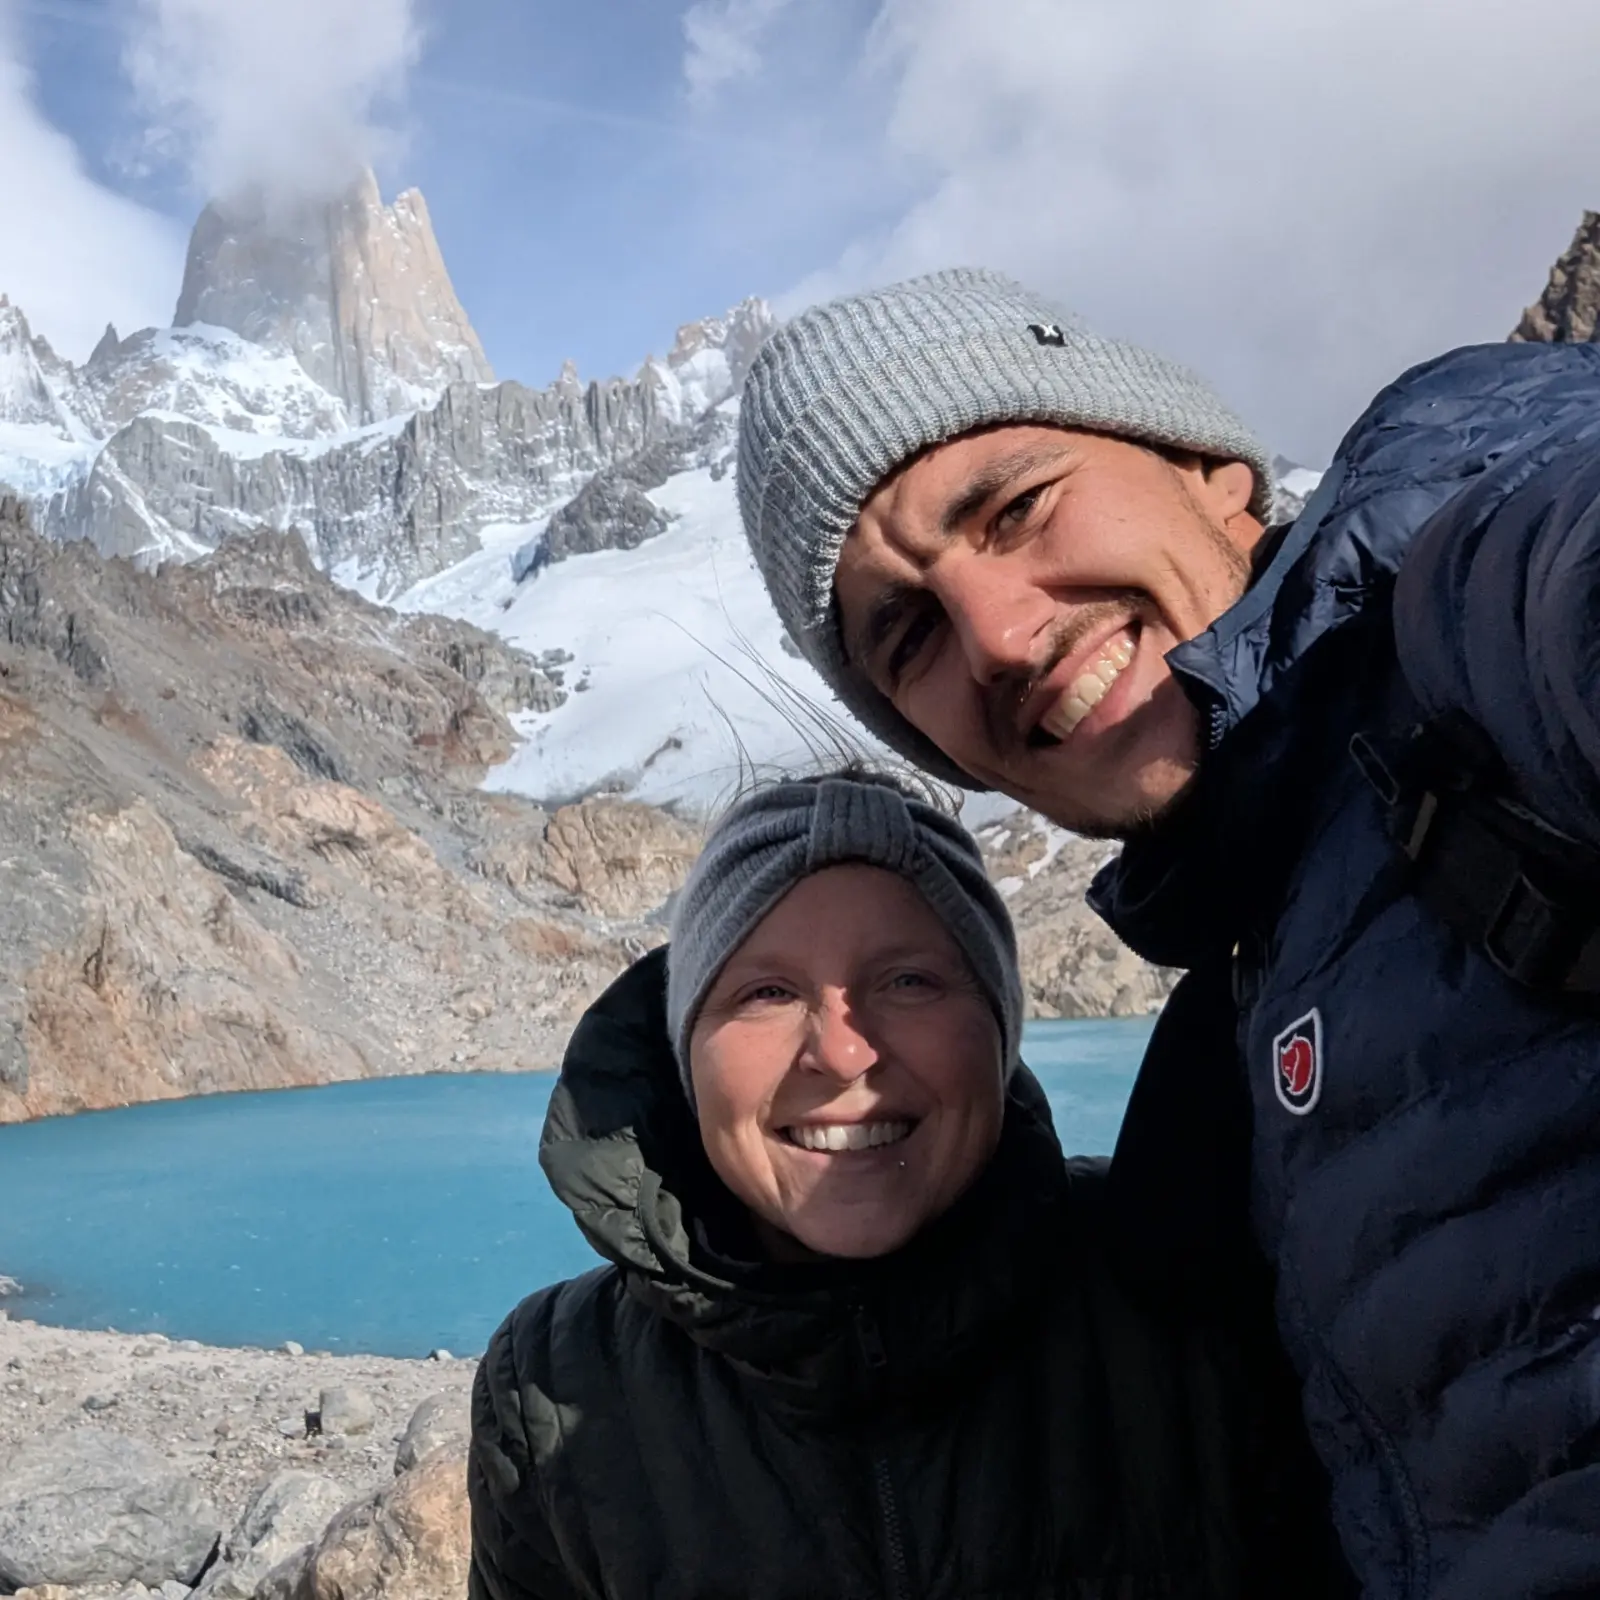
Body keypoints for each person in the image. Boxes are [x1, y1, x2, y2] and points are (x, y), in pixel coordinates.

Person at [734, 269, 1600, 1598]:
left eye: (1019, 506)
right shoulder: (1257, 968)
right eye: (908, 635)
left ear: (1209, 466)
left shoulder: (1469, 592)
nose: (1003, 636)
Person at [467, 771, 1345, 1600]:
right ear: (687, 1052)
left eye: (911, 981)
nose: (844, 1052)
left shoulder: (1186, 1284)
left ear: (998, 1037)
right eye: (767, 991)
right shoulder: (554, 1378)